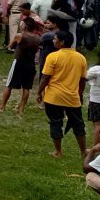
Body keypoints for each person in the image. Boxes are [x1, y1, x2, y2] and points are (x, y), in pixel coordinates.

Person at [37, 30, 88, 159]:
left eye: (55, 39)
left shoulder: (53, 56)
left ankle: (58, 152)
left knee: (55, 123)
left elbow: (45, 77)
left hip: (54, 97)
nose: (53, 41)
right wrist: (79, 94)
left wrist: (39, 92)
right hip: (72, 97)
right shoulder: (81, 58)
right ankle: (83, 152)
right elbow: (82, 80)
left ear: (62, 42)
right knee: (78, 124)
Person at [0, 17, 41, 115]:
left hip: (19, 62)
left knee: (9, 85)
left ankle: (2, 106)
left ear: (25, 25)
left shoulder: (20, 36)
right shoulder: (38, 38)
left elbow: (11, 46)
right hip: (30, 63)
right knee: (26, 87)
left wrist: (10, 45)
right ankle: (21, 109)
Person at [87, 66, 100, 146]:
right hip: (96, 100)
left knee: (97, 125)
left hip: (96, 100)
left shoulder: (96, 69)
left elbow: (85, 76)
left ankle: (95, 148)